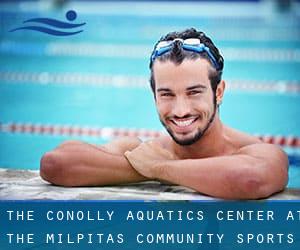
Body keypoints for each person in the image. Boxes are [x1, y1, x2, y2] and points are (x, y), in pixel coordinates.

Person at [40, 28, 288, 199]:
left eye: (194, 93)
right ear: (154, 95)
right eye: (167, 94)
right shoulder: (142, 149)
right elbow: (56, 164)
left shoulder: (255, 151)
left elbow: (249, 180)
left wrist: (161, 168)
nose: (180, 111)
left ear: (219, 91)